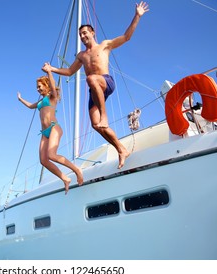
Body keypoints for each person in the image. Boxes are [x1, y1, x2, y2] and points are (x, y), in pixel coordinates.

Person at [44, 1, 149, 169]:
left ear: (92, 32)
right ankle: (121, 149)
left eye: (85, 33)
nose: (83, 36)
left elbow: (126, 37)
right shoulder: (81, 55)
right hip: (94, 90)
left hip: (105, 82)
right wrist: (52, 69)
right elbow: (70, 71)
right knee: (95, 125)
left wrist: (137, 15)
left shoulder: (104, 45)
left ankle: (104, 116)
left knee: (91, 79)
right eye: (81, 35)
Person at [17, 64, 83, 194]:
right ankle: (65, 178)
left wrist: (49, 72)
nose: (37, 89)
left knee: (52, 155)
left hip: (54, 128)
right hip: (44, 133)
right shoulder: (40, 102)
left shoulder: (52, 97)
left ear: (46, 86)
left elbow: (53, 86)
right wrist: (20, 99)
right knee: (43, 160)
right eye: (37, 87)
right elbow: (30, 106)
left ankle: (77, 170)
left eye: (39, 86)